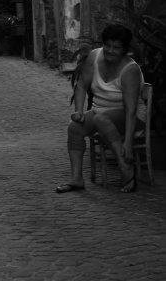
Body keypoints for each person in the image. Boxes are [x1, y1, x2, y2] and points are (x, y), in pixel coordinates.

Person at [56, 23, 145, 194]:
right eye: (107, 45)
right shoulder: (94, 57)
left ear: (125, 50)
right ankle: (76, 179)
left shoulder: (130, 70)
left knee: (100, 119)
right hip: (101, 112)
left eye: (116, 48)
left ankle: (126, 168)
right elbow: (81, 86)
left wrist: (128, 142)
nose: (110, 51)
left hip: (131, 117)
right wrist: (79, 111)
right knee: (74, 128)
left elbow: (131, 110)